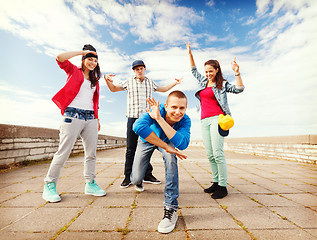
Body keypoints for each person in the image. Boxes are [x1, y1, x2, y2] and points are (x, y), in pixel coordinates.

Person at [42, 44, 106, 203]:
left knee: (91, 154)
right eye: (89, 59)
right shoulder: (73, 70)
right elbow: (60, 57)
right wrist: (82, 52)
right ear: (83, 60)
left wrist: (97, 119)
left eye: (95, 60)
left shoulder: (95, 79)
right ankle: (49, 184)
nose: (92, 63)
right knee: (63, 152)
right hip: (72, 115)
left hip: (90, 118)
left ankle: (90, 183)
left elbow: (94, 101)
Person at [104, 60, 182, 190]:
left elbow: (163, 89)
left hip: (147, 120)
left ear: (145, 69)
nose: (139, 71)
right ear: (134, 71)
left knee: (147, 147)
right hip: (132, 118)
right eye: (136, 69)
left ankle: (147, 175)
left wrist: (175, 82)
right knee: (131, 148)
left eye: (141, 68)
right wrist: (107, 80)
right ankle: (128, 176)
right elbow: (113, 89)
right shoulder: (128, 82)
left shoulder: (150, 82)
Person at [186, 42, 244, 199]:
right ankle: (216, 182)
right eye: (206, 71)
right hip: (204, 120)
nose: (208, 74)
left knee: (218, 153)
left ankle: (223, 187)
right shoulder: (203, 82)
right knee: (210, 154)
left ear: (217, 70)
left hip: (217, 120)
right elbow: (193, 71)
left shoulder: (222, 84)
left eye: (210, 71)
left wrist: (237, 72)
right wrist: (190, 54)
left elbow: (239, 89)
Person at [131, 91, 191, 234]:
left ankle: (171, 206)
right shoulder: (156, 109)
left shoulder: (185, 120)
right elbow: (137, 127)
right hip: (147, 140)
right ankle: (139, 179)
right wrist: (165, 146)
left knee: (171, 158)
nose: (178, 112)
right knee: (136, 178)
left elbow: (182, 144)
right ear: (166, 106)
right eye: (174, 107)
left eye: (182, 108)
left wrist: (159, 119)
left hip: (167, 141)